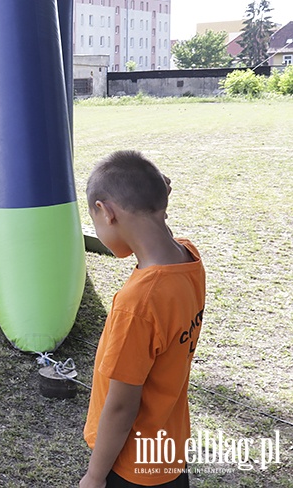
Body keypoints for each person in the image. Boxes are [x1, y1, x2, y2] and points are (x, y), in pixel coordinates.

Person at [80, 150, 206, 488]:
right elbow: (158, 228)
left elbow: (121, 409)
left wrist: (94, 476)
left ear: (105, 212)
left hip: (130, 467)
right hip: (167, 455)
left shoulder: (137, 306)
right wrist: (157, 197)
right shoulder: (189, 258)